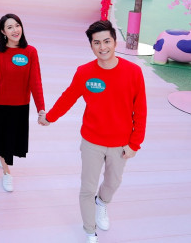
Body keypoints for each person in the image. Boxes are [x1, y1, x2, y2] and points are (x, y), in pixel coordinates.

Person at [38, 20, 147, 243]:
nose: (102, 47)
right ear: (91, 46)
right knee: (87, 187)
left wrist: (134, 144)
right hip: (92, 141)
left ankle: (102, 203)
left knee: (112, 183)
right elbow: (68, 97)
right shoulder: (84, 72)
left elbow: (141, 111)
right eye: (97, 43)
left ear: (115, 42)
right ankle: (90, 231)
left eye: (107, 41)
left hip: (121, 143)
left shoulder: (134, 72)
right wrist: (49, 117)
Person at [0, 13, 45, 192]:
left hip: (21, 106)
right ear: (3, 32)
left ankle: (3, 159)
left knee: (10, 142)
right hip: (0, 106)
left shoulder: (31, 52)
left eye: (17, 25)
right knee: (3, 143)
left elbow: (36, 81)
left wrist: (41, 108)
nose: (15, 30)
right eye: (9, 27)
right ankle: (7, 172)